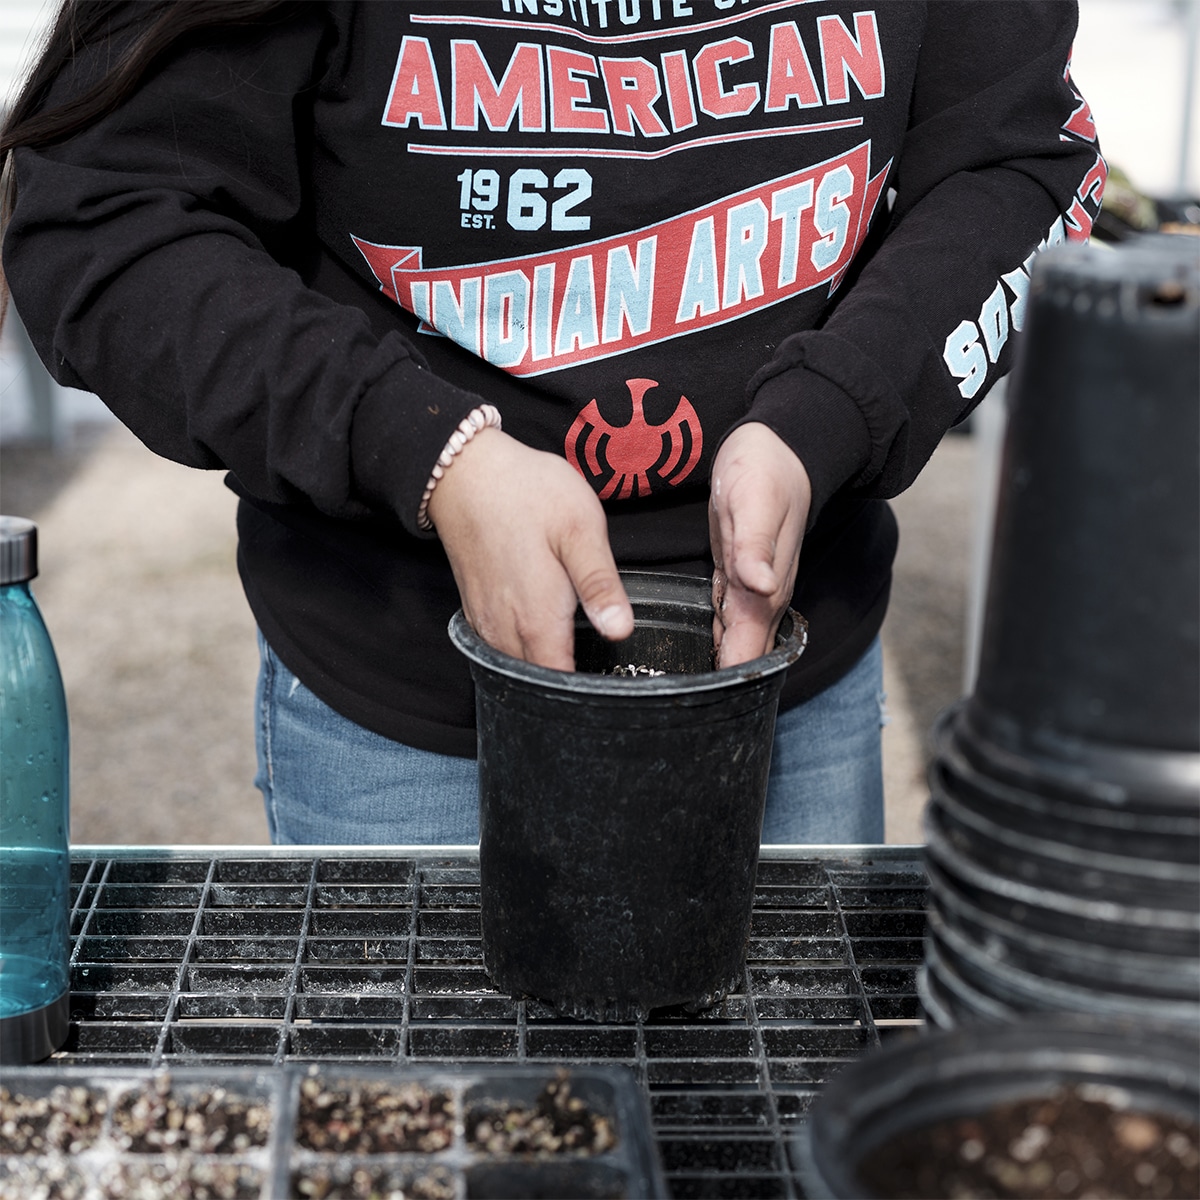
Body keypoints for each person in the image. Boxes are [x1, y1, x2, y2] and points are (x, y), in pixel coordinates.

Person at [0, 0, 1105, 846]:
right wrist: (427, 452)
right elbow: (106, 225)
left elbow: (1021, 159)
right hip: (405, 713)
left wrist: (832, 416)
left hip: (785, 694)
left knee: (765, 1143)